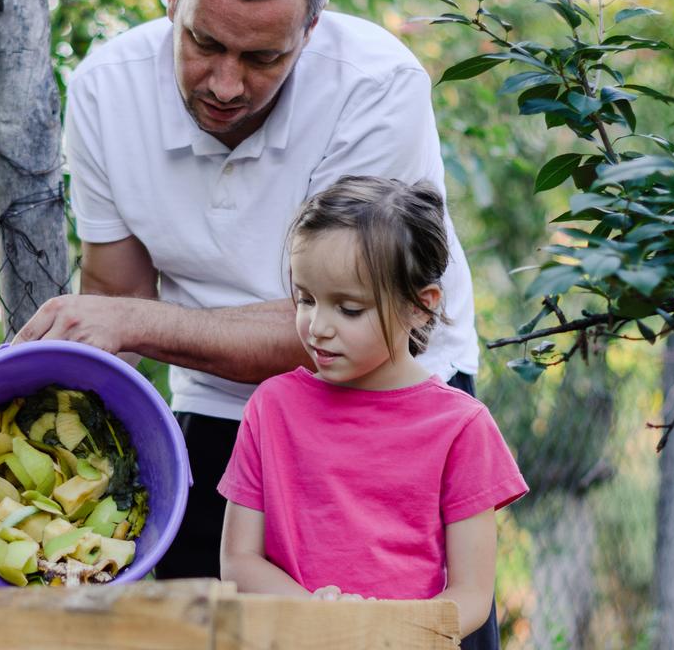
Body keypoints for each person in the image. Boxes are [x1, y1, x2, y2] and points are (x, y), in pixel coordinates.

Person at [13, 0, 480, 590]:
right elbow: (120, 301)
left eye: (263, 57)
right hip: (212, 401)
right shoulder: (103, 92)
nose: (227, 84)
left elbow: (346, 326)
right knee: (208, 617)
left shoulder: (377, 86)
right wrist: (58, 472)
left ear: (311, 28)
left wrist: (132, 324)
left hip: (386, 399)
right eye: (205, 43)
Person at [217, 176, 527, 646]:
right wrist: (323, 622)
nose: (318, 327)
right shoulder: (271, 407)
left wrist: (385, 634)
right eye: (306, 299)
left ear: (420, 307)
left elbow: (471, 595)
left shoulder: (462, 427)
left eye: (349, 309)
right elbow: (238, 561)